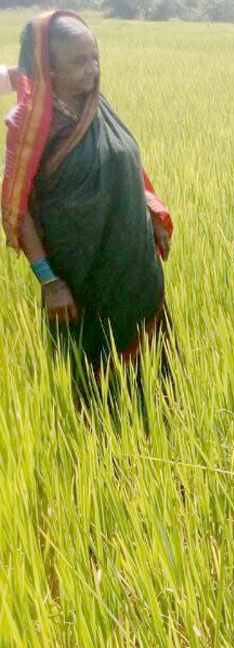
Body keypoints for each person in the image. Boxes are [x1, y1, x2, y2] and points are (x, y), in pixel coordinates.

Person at [1, 12, 173, 392]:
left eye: (94, 57)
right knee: (98, 388)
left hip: (132, 266)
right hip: (80, 280)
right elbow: (17, 206)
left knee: (153, 384)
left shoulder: (97, 105)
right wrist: (49, 281)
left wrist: (151, 211)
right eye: (79, 61)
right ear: (49, 68)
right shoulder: (28, 123)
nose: (92, 69)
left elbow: (122, 159)